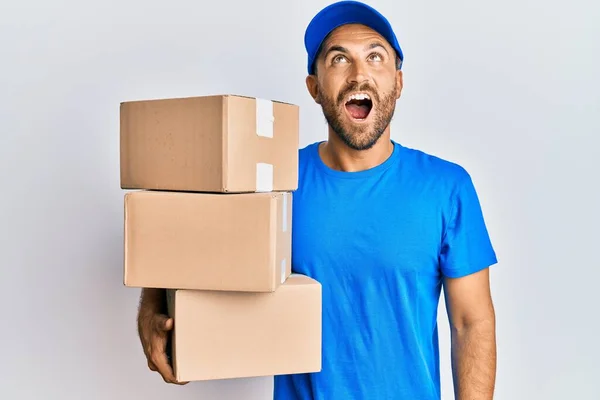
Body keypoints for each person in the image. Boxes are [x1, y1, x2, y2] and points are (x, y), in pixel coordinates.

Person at [136, 1, 499, 399]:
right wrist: (154, 308)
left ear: (398, 81)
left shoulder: (446, 187)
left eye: (375, 57)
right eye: (338, 58)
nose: (359, 74)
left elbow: (471, 322)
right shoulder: (275, 182)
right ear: (314, 88)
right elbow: (186, 242)